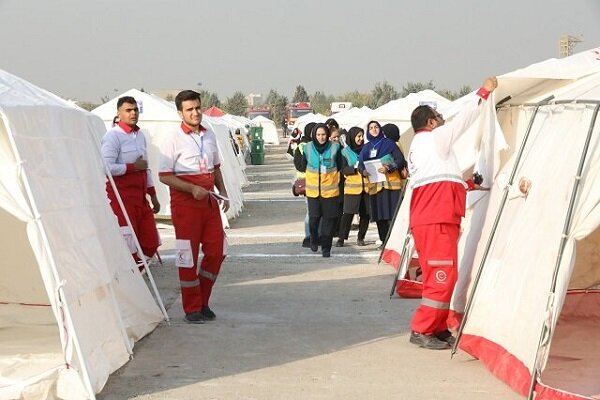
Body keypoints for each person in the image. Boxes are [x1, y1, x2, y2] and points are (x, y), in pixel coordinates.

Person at [407, 76, 498, 350]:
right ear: (431, 122)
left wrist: (469, 184)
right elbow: (462, 120)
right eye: (438, 116)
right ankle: (422, 328)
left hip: (435, 218)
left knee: (444, 273)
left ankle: (437, 326)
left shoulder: (425, 149)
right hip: (436, 219)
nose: (443, 119)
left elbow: (443, 178)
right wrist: (483, 93)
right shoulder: (434, 138)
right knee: (442, 275)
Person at [158, 90, 229, 324]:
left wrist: (223, 191)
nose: (195, 113)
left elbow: (215, 167)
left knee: (217, 252)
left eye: (197, 108)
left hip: (208, 201)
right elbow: (165, 176)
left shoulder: (209, 135)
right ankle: (192, 308)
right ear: (180, 113)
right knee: (187, 257)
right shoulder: (172, 138)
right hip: (186, 204)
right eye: (189, 109)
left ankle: (203, 300)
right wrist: (190, 189)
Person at [101, 96, 160, 268]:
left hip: (140, 198)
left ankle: (138, 273)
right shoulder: (113, 136)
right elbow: (106, 167)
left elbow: (146, 167)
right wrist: (132, 167)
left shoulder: (140, 135)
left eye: (135, 109)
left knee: (150, 242)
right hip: (122, 199)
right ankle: (132, 281)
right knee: (128, 246)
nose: (133, 113)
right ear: (119, 114)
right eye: (128, 110)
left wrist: (153, 195)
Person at [294, 123, 342, 257]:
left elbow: (340, 165)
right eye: (318, 135)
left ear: (327, 135)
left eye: (323, 135)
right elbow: (303, 166)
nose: (321, 137)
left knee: (329, 220)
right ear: (314, 135)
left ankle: (326, 248)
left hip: (330, 192)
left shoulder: (335, 148)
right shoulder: (308, 148)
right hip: (313, 192)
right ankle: (314, 238)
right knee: (314, 219)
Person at [358, 121, 406, 248]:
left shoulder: (389, 143)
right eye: (371, 128)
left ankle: (395, 242)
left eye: (376, 127)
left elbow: (400, 160)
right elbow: (360, 164)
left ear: (380, 129)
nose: (374, 129)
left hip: (391, 185)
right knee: (380, 216)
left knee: (392, 215)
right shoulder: (366, 147)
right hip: (375, 186)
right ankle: (384, 241)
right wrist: (363, 171)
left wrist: (389, 168)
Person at [338, 127, 370, 247]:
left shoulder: (367, 150)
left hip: (366, 187)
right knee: (348, 214)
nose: (361, 139)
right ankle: (341, 238)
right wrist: (354, 168)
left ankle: (361, 237)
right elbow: (343, 169)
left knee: (365, 214)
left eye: (362, 136)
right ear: (352, 137)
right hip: (352, 188)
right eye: (358, 136)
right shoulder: (345, 152)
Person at [294, 122, 316, 248]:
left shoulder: (318, 146)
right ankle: (308, 237)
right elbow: (300, 166)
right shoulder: (302, 146)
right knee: (311, 211)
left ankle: (316, 235)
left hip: (320, 183)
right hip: (307, 184)